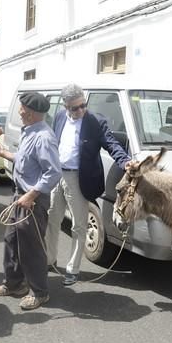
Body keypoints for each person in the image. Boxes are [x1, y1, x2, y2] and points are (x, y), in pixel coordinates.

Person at [46, 84, 130, 286]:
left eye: (83, 105)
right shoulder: (58, 117)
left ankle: (73, 269)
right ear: (66, 106)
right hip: (57, 176)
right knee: (52, 219)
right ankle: (49, 260)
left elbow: (112, 144)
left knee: (79, 226)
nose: (81, 110)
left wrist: (125, 161)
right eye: (75, 108)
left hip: (79, 179)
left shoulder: (95, 121)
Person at [0, 92, 61, 310]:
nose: (19, 111)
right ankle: (14, 284)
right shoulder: (30, 131)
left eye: (21, 108)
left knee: (31, 248)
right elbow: (25, 160)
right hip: (19, 195)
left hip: (32, 200)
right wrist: (4, 153)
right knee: (11, 241)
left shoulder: (43, 137)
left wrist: (31, 195)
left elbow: (53, 172)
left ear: (28, 112)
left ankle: (39, 292)